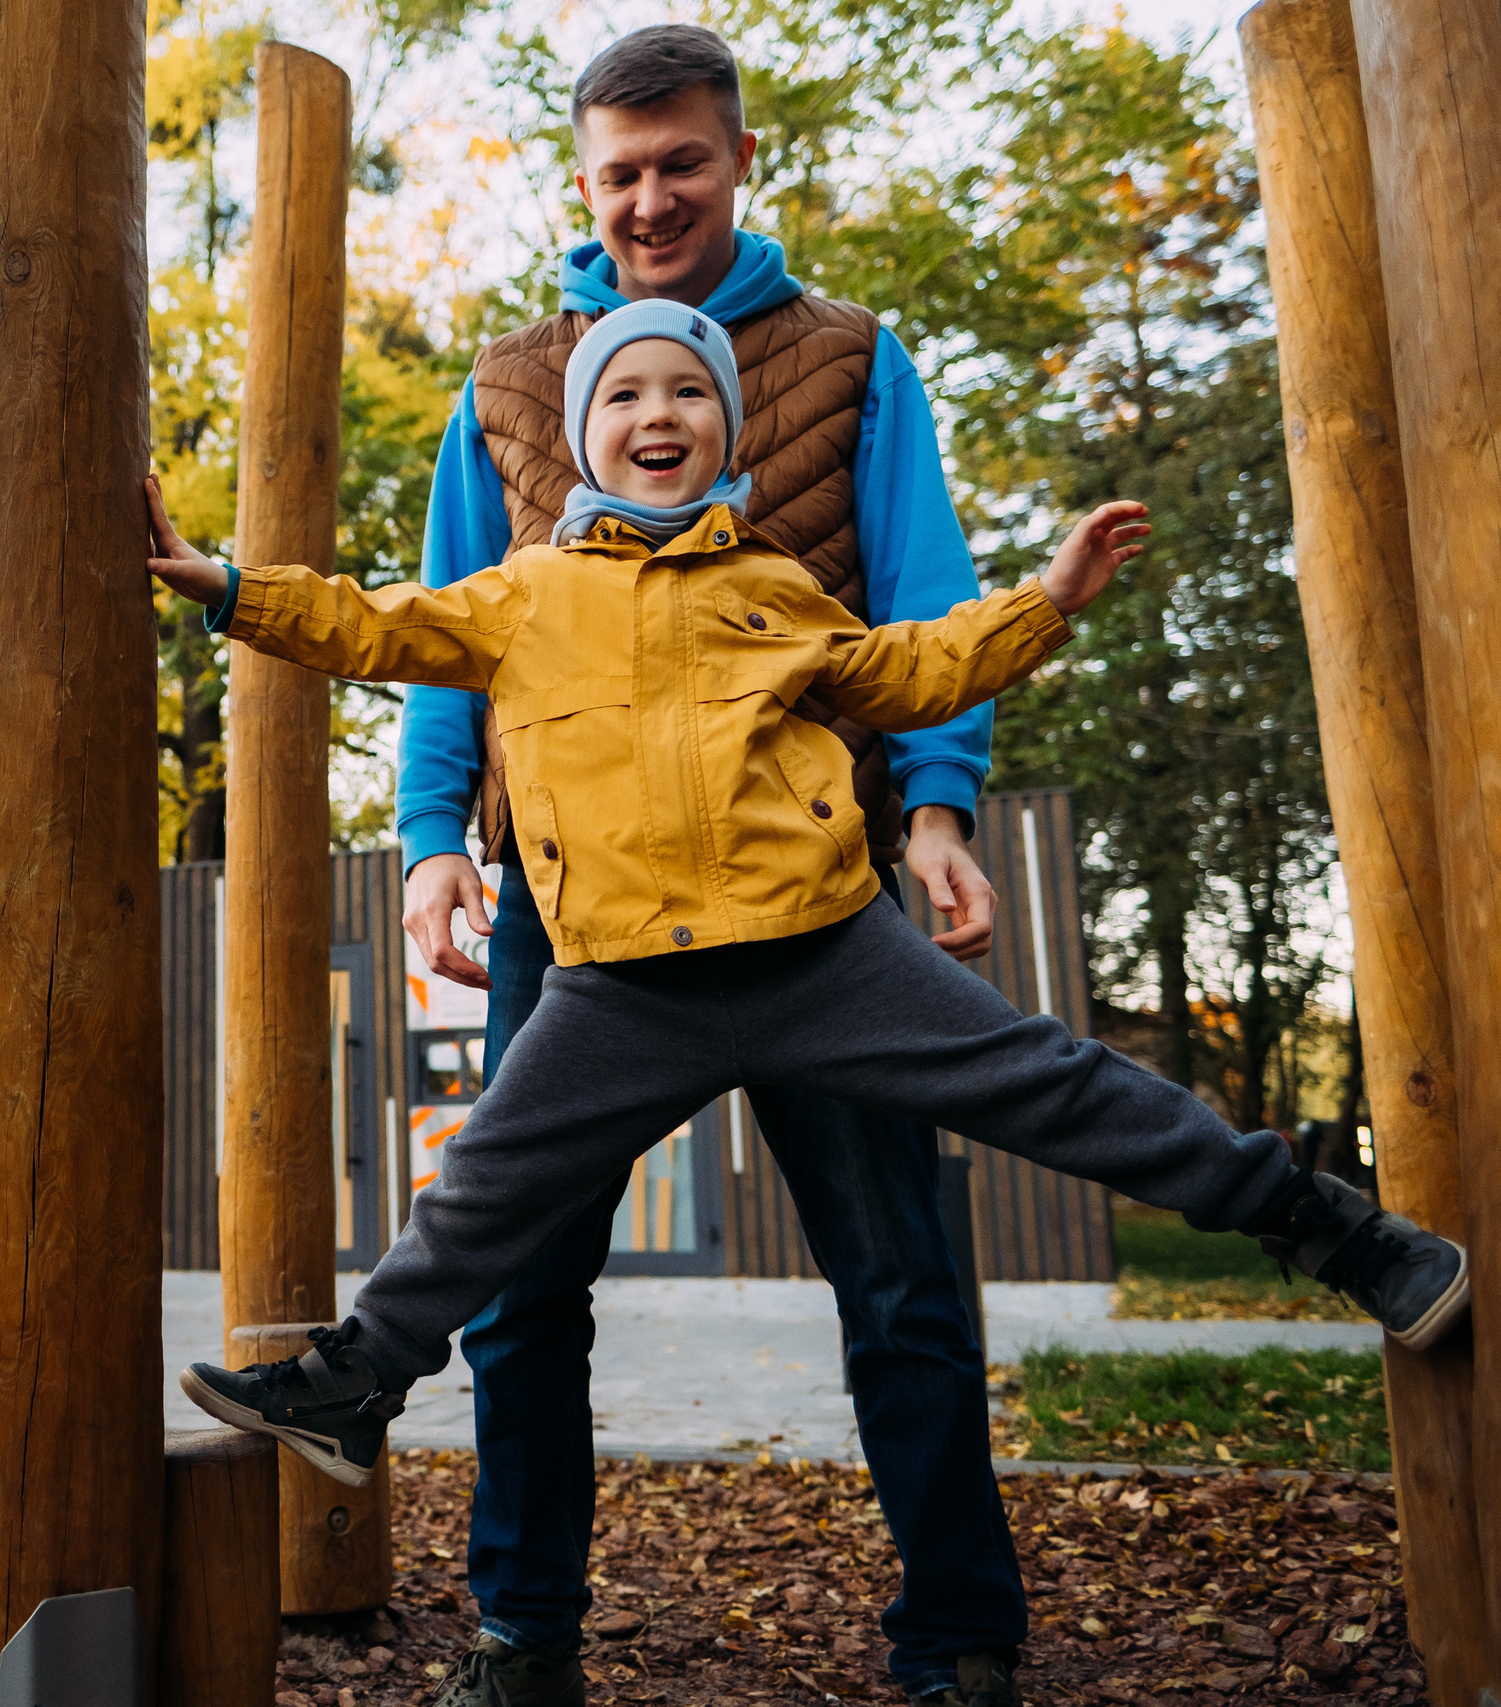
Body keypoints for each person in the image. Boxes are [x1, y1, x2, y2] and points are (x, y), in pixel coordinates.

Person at [146, 299, 1468, 1699]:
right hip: (620, 981)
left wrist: (1051, 600)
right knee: (483, 1189)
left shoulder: (773, 583)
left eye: (687, 394)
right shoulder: (525, 592)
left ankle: (1331, 1230)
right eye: (625, 397)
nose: (657, 416)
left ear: (725, 430)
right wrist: (221, 583)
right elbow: (369, 620)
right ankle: (357, 1381)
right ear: (586, 438)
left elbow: (907, 667)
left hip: (824, 951)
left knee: (1062, 1086)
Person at [376, 25, 1048, 1705]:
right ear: (586, 182)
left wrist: (940, 809)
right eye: (622, 173)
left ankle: (959, 1636)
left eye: (682, 162)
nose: (652, 197)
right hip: (574, 907)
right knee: (522, 1277)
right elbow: (460, 629)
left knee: (898, 1271)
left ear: (737, 158)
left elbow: (923, 601)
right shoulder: (515, 388)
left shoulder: (847, 357)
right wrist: (429, 844)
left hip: (811, 897)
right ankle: (523, 1636)